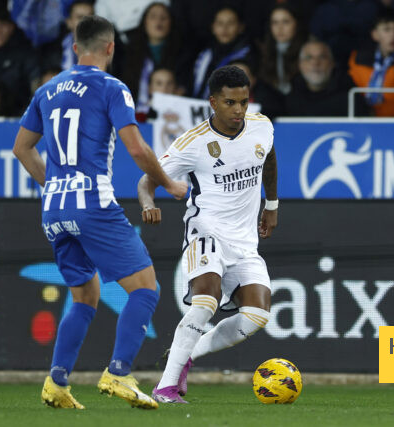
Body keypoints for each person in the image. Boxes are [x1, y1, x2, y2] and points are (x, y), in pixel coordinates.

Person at [13, 15, 187, 410]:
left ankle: (56, 382)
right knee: (145, 289)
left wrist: (55, 188)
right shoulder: (112, 87)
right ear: (111, 47)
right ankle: (120, 372)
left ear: (76, 48)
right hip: (92, 203)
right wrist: (170, 184)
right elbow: (138, 149)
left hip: (54, 209)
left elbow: (21, 148)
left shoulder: (47, 89)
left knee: (85, 296)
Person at [138, 65, 278, 403]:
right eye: (231, 103)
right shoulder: (193, 143)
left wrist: (271, 204)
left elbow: (269, 157)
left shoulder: (261, 126)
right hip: (206, 232)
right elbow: (146, 181)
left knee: (258, 315)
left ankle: (185, 355)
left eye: (244, 102)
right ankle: (166, 388)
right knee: (206, 301)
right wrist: (147, 202)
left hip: (244, 242)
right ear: (213, 102)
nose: (239, 111)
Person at [123, 3, 184, 114]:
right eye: (153, 17)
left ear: (171, 22)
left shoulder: (183, 53)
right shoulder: (129, 53)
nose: (158, 21)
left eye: (163, 18)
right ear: (144, 22)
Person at [189, 7, 251, 99]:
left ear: (240, 27)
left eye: (230, 23)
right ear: (213, 27)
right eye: (220, 23)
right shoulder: (204, 54)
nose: (224, 28)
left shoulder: (248, 56)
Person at [285, 40, 356, 117]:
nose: (315, 63)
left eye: (322, 57)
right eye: (309, 57)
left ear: (332, 63)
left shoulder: (351, 100)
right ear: (299, 64)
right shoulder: (289, 100)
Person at [258, 4, 307, 96]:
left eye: (285, 22)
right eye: (275, 22)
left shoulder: (308, 50)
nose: (279, 28)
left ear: (297, 24)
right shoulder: (265, 50)